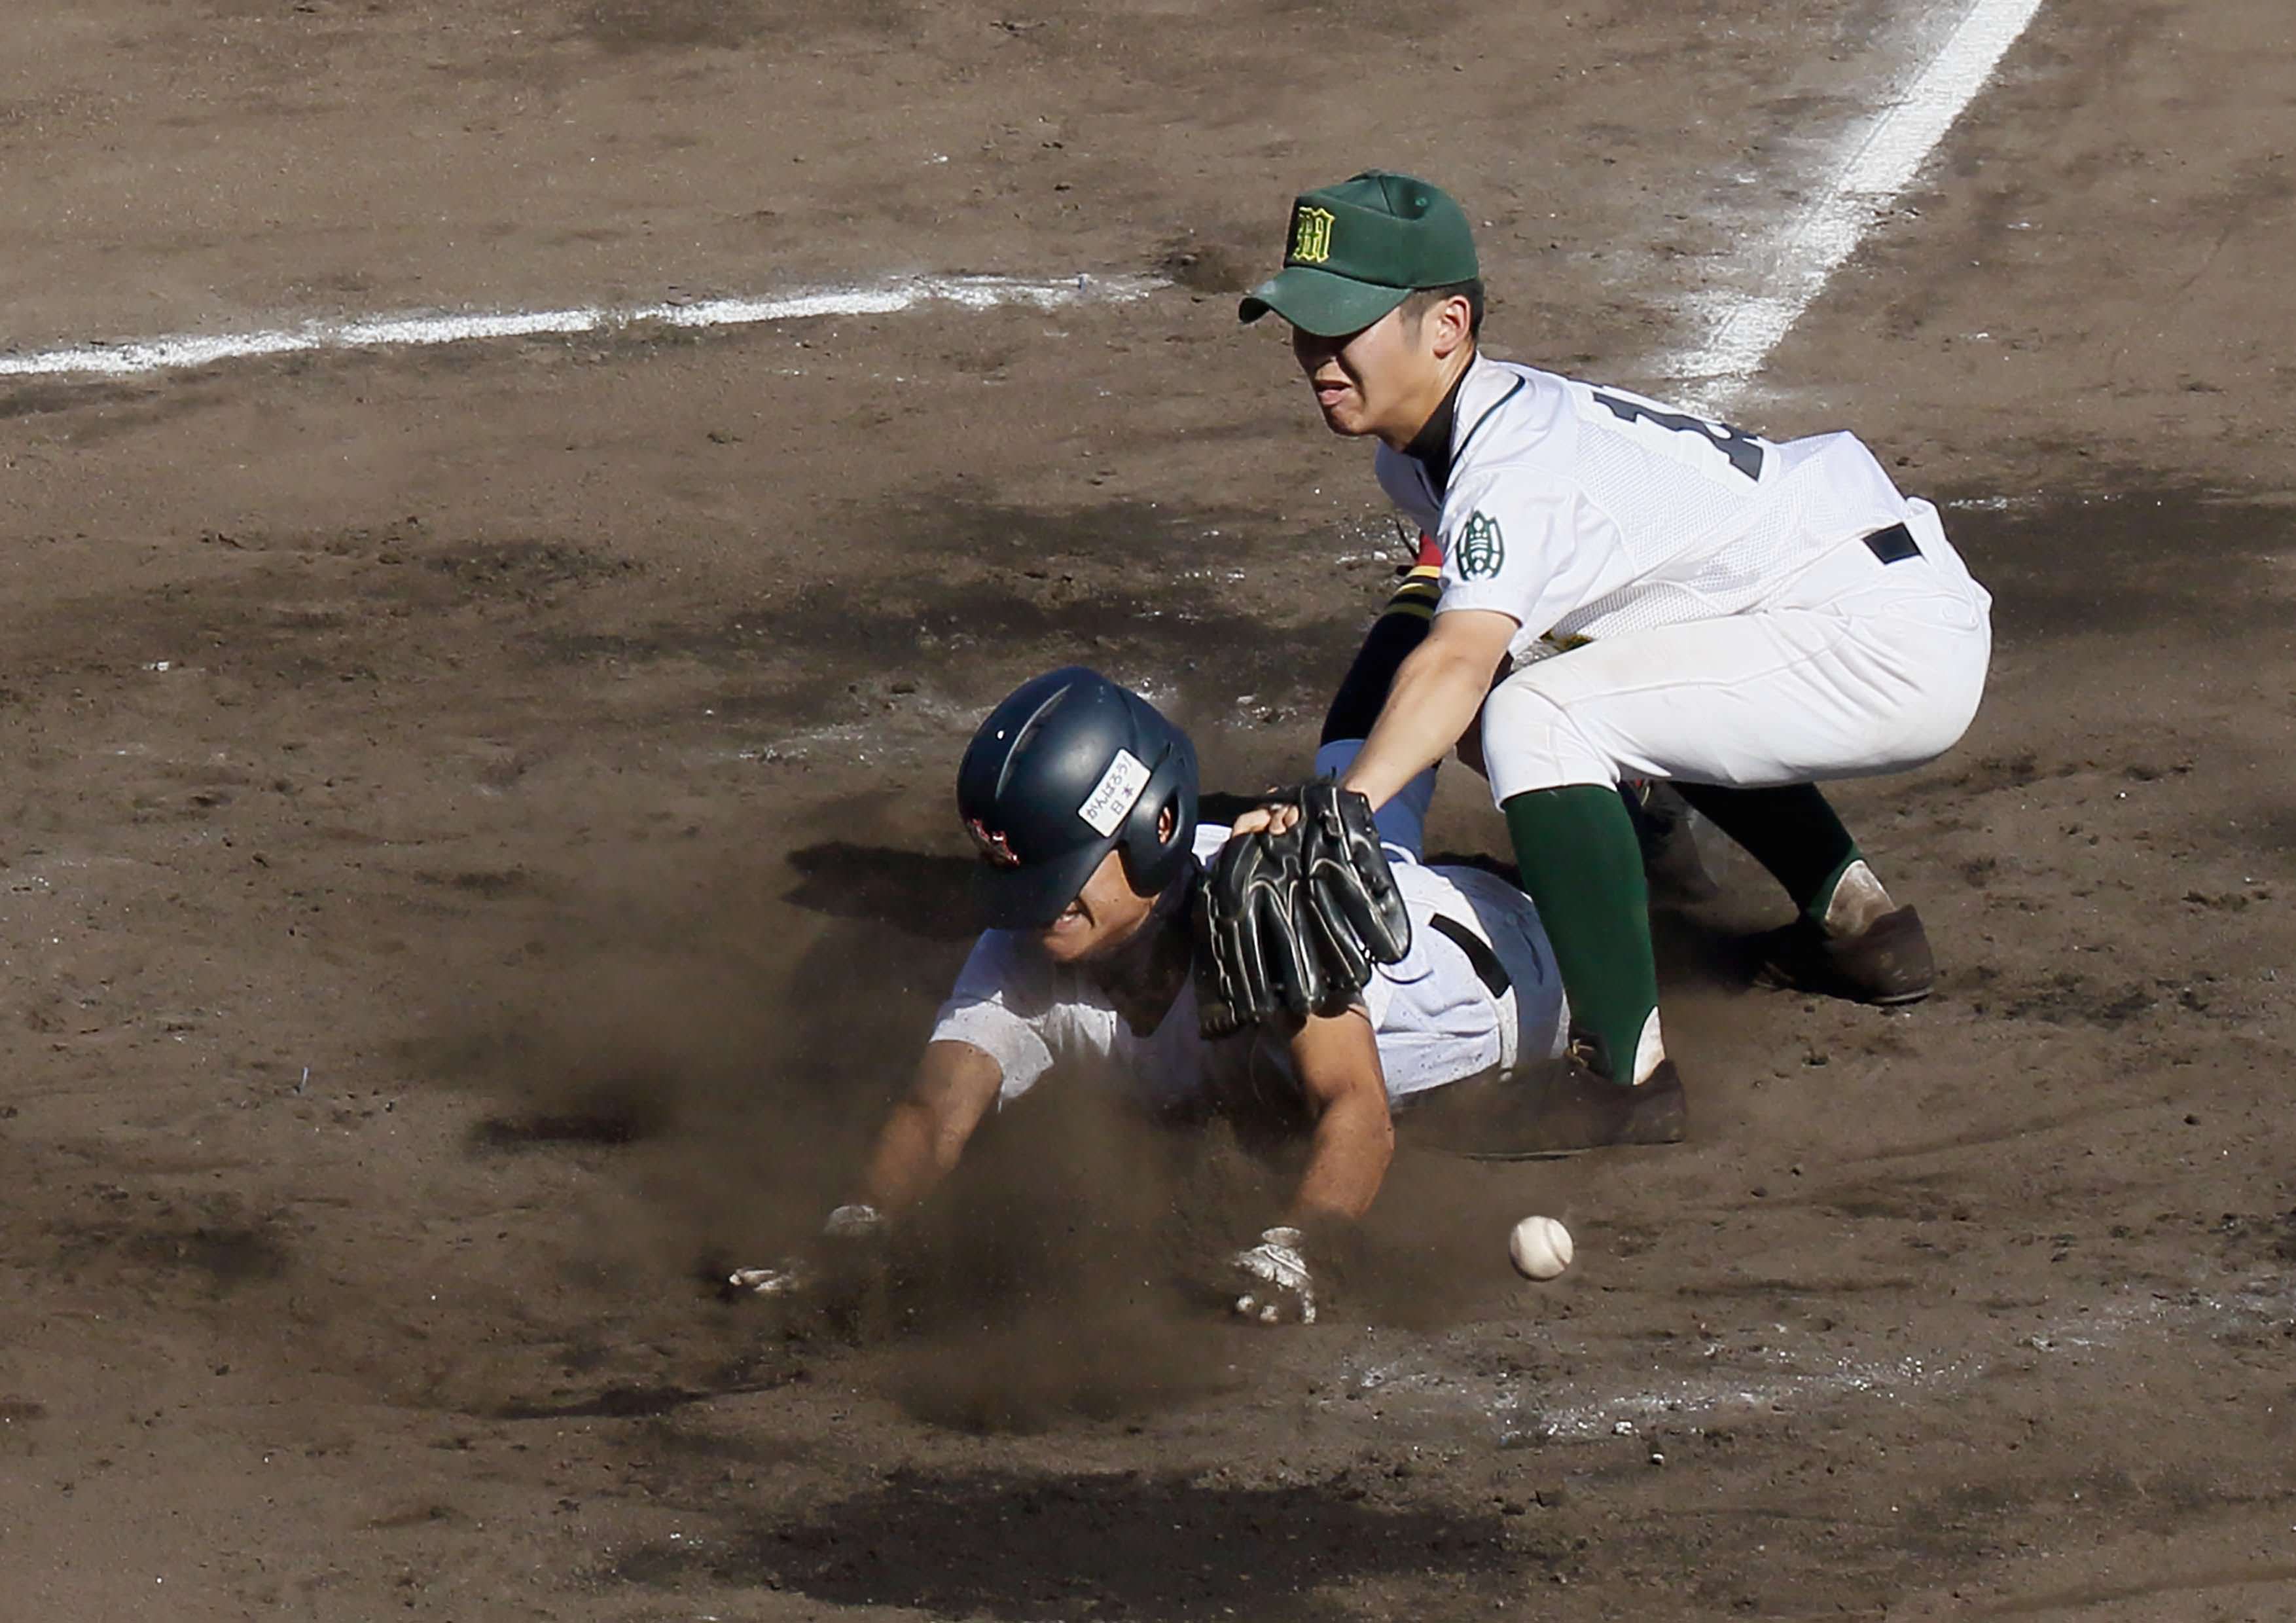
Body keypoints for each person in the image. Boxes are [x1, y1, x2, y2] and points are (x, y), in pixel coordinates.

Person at [1230, 170, 1992, 1150]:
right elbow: (1423, 636)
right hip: (1831, 596)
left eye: (1344, 326)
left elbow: (1455, 667)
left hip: (1880, 636)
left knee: (1533, 717)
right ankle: (1860, 926)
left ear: (1447, 326)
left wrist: (1345, 812)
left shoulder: (1510, 467)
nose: (1316, 355)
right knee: (1562, 680)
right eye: (1303, 325)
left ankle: (1624, 1081)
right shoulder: (1432, 447)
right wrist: (1353, 789)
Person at [732, 666, 1590, 1326]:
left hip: (1514, 970)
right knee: (1358, 798)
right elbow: (934, 1112)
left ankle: (1602, 778)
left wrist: (1301, 1247)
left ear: (1155, 828)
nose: (1040, 909)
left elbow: (1357, 1110)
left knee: (1392, 765)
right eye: (1023, 882)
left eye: (1063, 876)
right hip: (1409, 917)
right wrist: (860, 1225)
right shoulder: (1027, 944)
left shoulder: (1261, 909)